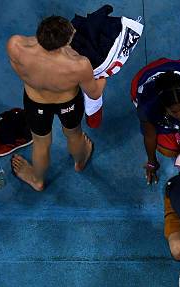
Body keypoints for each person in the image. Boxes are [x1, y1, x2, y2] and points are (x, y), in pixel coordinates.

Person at [6, 15, 106, 191]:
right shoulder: (78, 64)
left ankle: (37, 179)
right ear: (65, 42)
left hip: (35, 101)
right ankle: (80, 161)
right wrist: (106, 72)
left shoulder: (16, 45)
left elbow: (19, 70)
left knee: (41, 143)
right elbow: (94, 92)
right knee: (74, 134)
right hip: (68, 103)